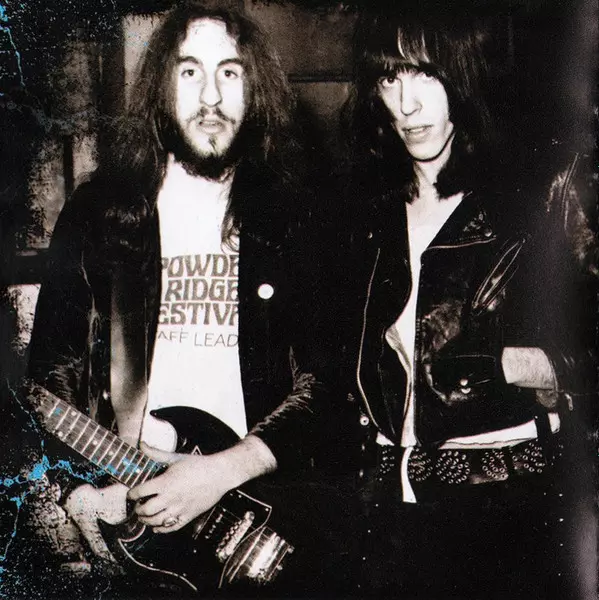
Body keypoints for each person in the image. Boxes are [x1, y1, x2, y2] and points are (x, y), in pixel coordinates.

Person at [21, 3, 355, 598]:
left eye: (230, 73)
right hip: (134, 514)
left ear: (256, 89)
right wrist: (79, 490)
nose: (211, 97)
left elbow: (330, 382)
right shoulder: (100, 215)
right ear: (160, 86)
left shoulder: (298, 216)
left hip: (265, 520)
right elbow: (52, 377)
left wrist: (221, 472)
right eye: (190, 72)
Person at [337, 9, 597, 600]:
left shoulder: (539, 196)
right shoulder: (361, 211)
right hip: (385, 523)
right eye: (389, 78)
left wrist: (500, 362)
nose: (406, 104)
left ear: (467, 71)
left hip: (510, 517)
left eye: (426, 74)